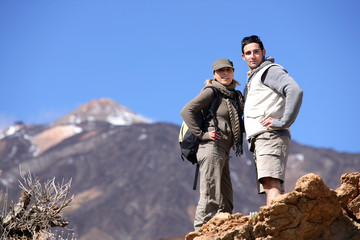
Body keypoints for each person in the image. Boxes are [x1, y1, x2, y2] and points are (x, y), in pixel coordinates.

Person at [180, 58, 244, 229]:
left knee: (226, 201)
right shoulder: (211, 91)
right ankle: (200, 231)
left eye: (228, 70)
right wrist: (202, 135)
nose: (225, 74)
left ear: (233, 72)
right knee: (210, 195)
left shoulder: (235, 96)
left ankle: (222, 232)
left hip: (224, 150)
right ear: (214, 74)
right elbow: (186, 111)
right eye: (220, 71)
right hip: (210, 149)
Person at [241, 35, 303, 206]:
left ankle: (273, 228)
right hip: (261, 138)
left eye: (256, 52)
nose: (252, 56)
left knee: (272, 185)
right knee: (271, 185)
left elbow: (295, 90)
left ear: (263, 52)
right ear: (243, 57)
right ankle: (279, 225)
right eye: (248, 53)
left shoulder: (269, 71)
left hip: (269, 136)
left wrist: (283, 121)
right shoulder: (255, 76)